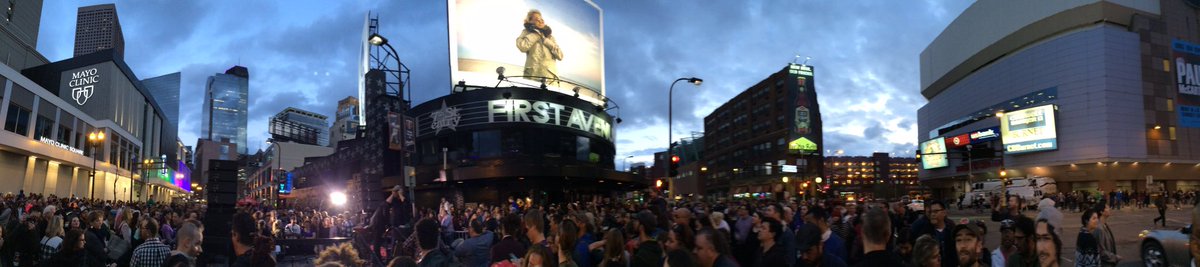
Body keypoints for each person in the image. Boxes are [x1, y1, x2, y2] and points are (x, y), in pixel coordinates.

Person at [515, 9, 563, 82]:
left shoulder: (550, 37)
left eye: (541, 18)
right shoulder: (526, 32)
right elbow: (522, 47)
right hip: (532, 76)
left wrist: (547, 41)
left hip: (550, 78)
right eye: (537, 19)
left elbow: (560, 56)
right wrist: (536, 34)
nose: (541, 20)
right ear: (530, 22)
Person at [909, 200, 957, 267]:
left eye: (936, 211)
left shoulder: (952, 230)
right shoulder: (923, 232)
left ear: (944, 213)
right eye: (931, 212)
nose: (932, 214)